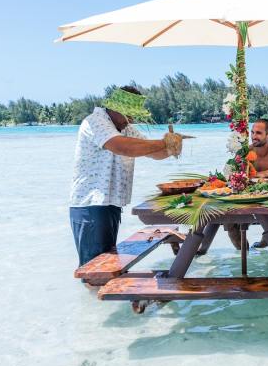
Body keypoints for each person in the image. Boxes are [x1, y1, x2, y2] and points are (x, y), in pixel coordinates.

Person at [69, 86, 183, 267]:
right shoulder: (95, 121)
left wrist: (170, 148)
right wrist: (162, 143)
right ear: (115, 108)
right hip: (91, 204)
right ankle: (95, 294)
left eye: (133, 116)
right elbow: (122, 147)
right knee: (94, 268)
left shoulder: (126, 128)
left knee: (107, 262)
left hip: (110, 203)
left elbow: (152, 152)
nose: (130, 120)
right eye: (128, 115)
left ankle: (98, 294)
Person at [228, 118, 268, 249]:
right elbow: (232, 175)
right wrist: (258, 174)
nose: (253, 136)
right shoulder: (245, 151)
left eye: (258, 133)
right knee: (230, 224)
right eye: (252, 132)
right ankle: (244, 250)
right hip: (245, 197)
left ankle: (264, 244)